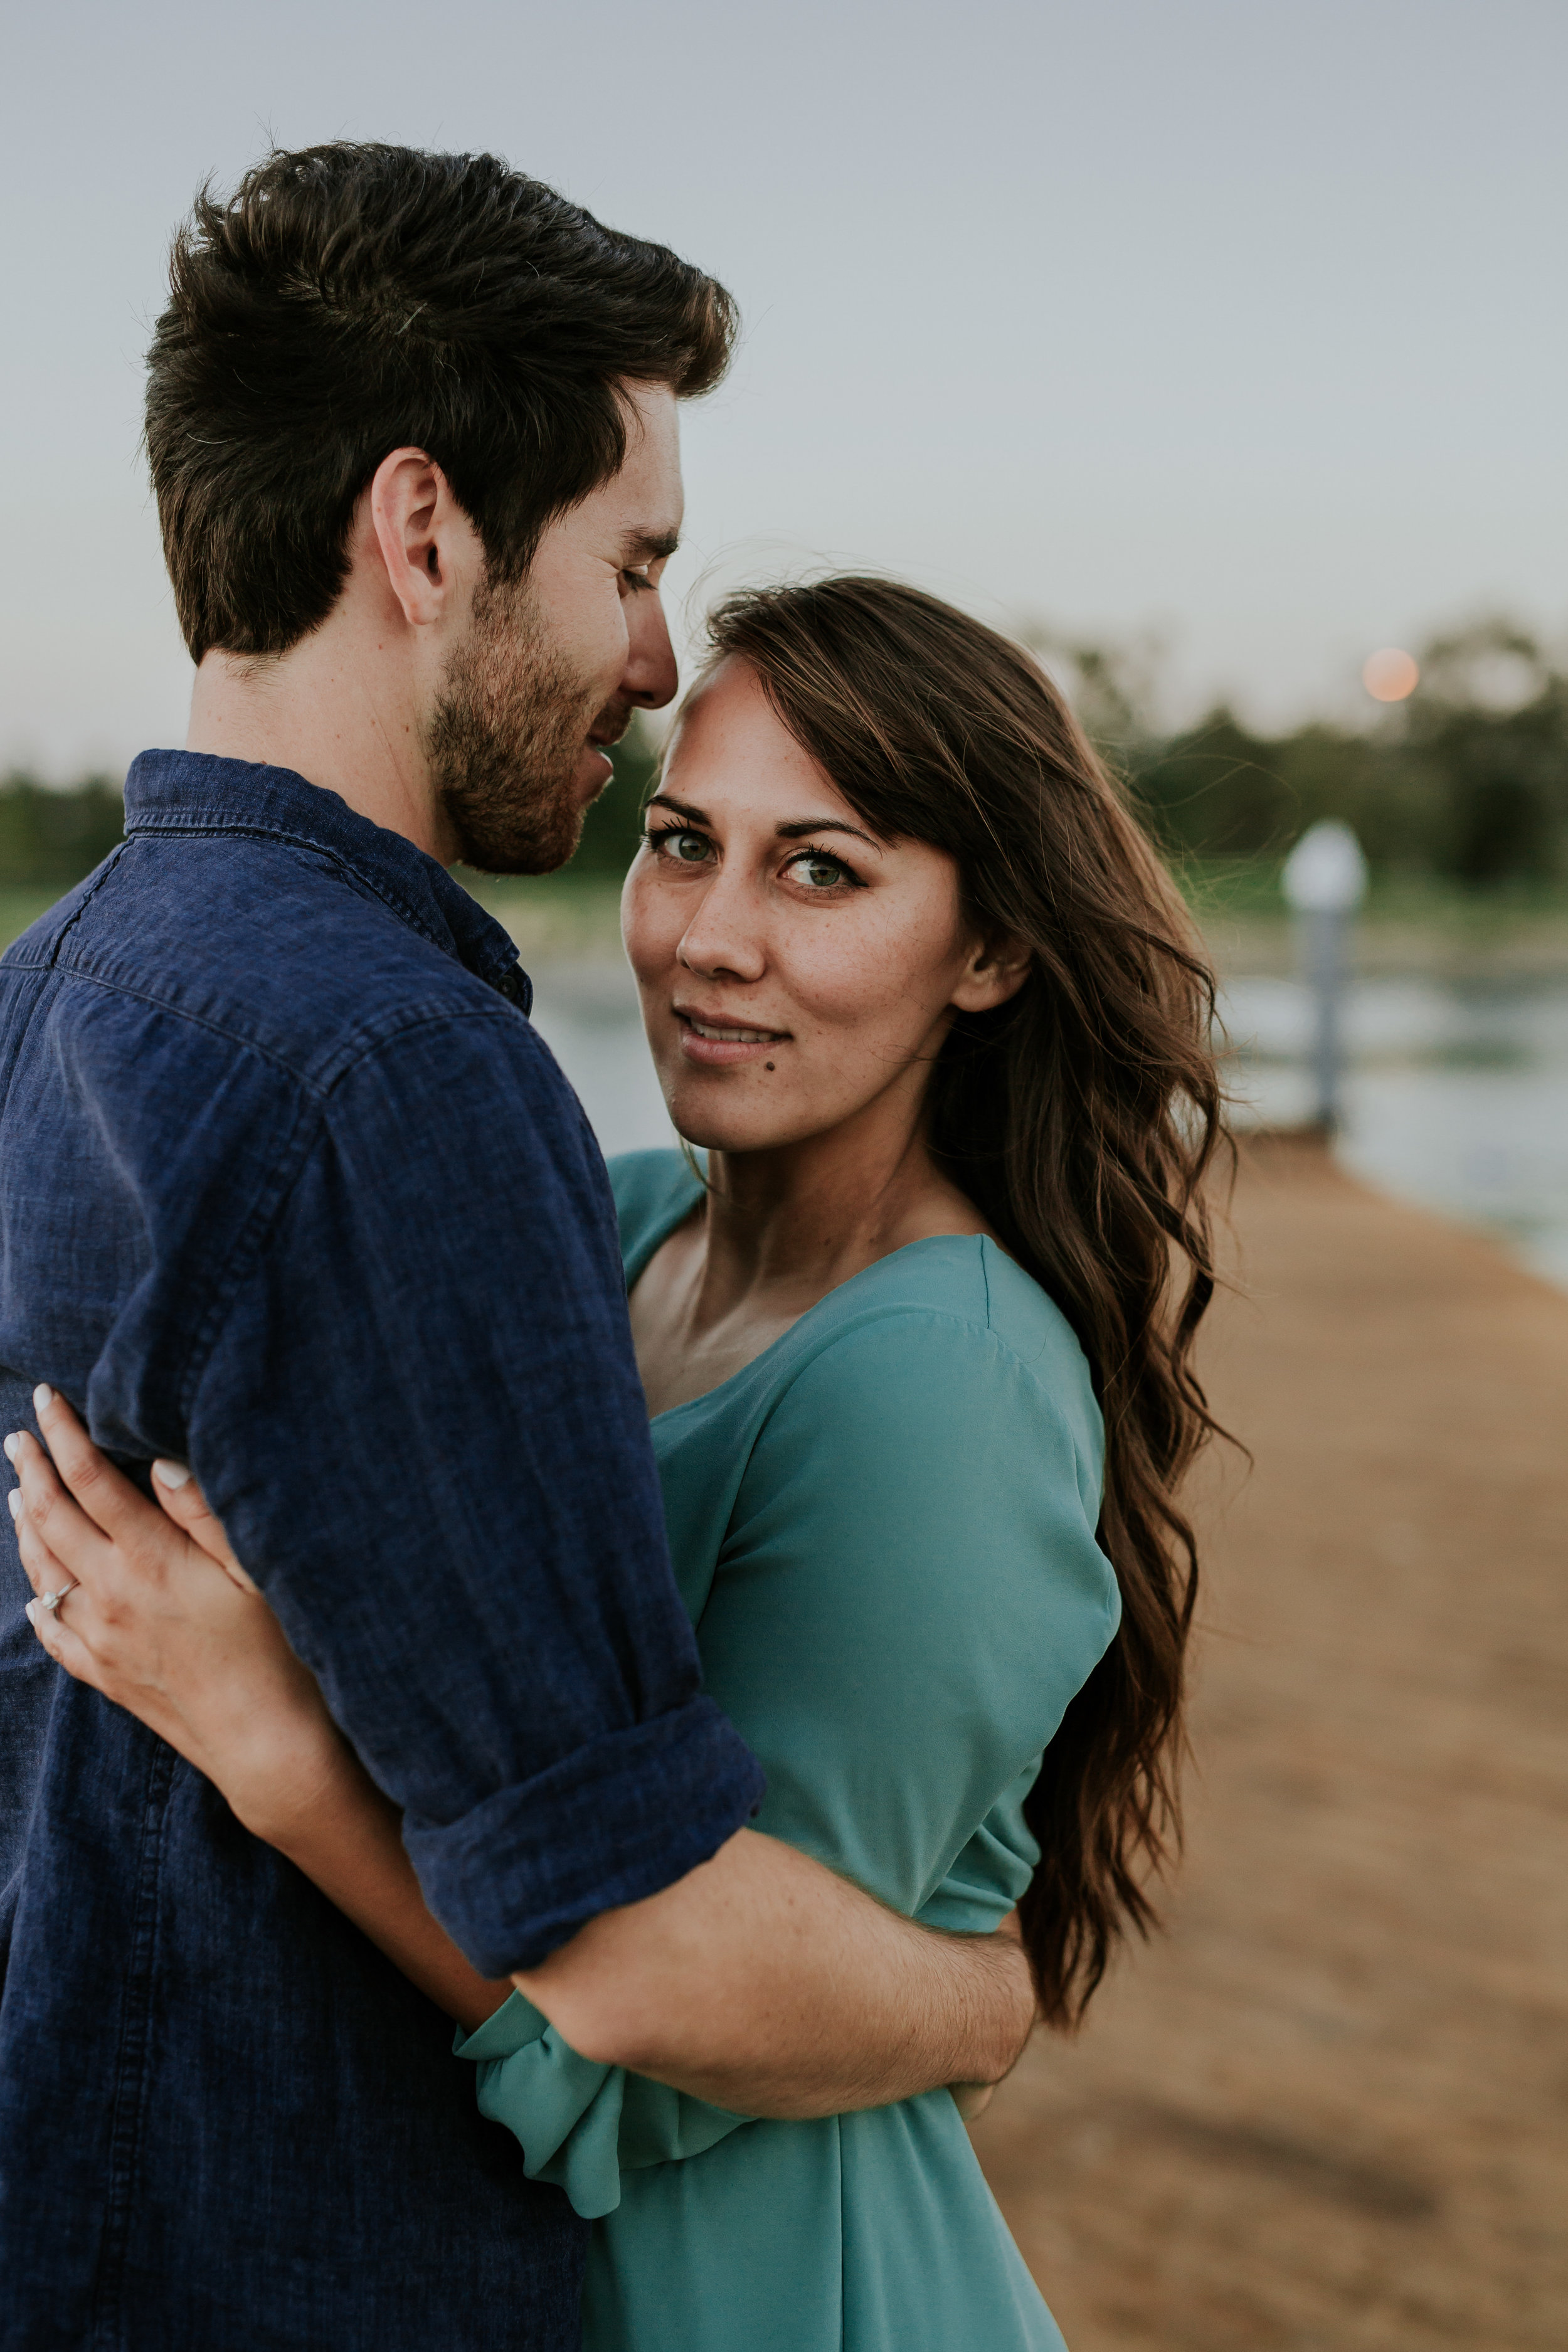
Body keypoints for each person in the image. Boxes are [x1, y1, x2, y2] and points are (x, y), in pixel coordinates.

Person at [0, 156, 1036, 2352]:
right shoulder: (397, 1076)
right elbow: (622, 1927)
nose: (654, 659)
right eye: (631, 564)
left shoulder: (45, 990)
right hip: (292, 2266)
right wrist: (972, 1995)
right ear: (421, 532)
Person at [11, 577, 1227, 2348]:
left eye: (820, 870)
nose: (708, 937)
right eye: (680, 844)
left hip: (759, 2281)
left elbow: (677, 2037)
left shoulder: (942, 1381)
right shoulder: (615, 1223)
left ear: (989, 951)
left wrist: (273, 1741)